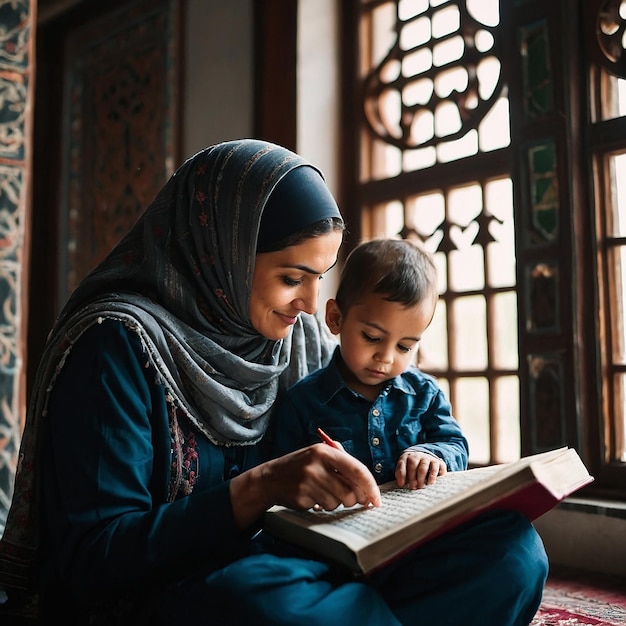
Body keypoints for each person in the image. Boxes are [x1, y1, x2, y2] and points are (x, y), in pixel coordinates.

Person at [0, 139, 548, 626]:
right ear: (223, 253)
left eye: (318, 280)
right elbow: (95, 559)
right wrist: (258, 490)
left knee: (511, 549)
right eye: (291, 278)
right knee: (263, 604)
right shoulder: (116, 346)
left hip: (308, 567)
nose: (311, 306)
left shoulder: (291, 339)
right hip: (194, 588)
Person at [269, 238, 469, 490]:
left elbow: (455, 444)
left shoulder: (425, 394)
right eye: (372, 338)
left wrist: (432, 455)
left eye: (404, 346)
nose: (386, 357)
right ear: (335, 318)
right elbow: (283, 478)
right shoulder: (302, 403)